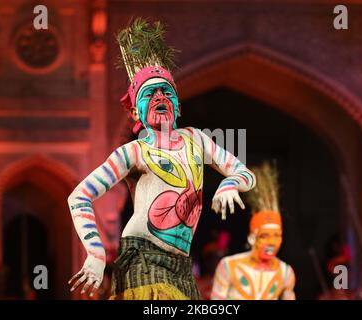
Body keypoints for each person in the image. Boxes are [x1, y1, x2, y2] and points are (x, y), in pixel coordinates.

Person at [67, 18, 256, 300]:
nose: (159, 96)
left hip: (181, 264)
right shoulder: (134, 152)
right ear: (135, 113)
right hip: (142, 258)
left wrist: (230, 184)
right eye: (149, 93)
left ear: (178, 105)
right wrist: (95, 253)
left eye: (167, 92)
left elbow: (245, 174)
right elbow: (78, 197)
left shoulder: (197, 139)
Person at [211, 163, 295, 300]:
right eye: (264, 236)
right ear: (252, 237)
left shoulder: (285, 272)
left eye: (277, 236)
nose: (271, 242)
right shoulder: (228, 266)